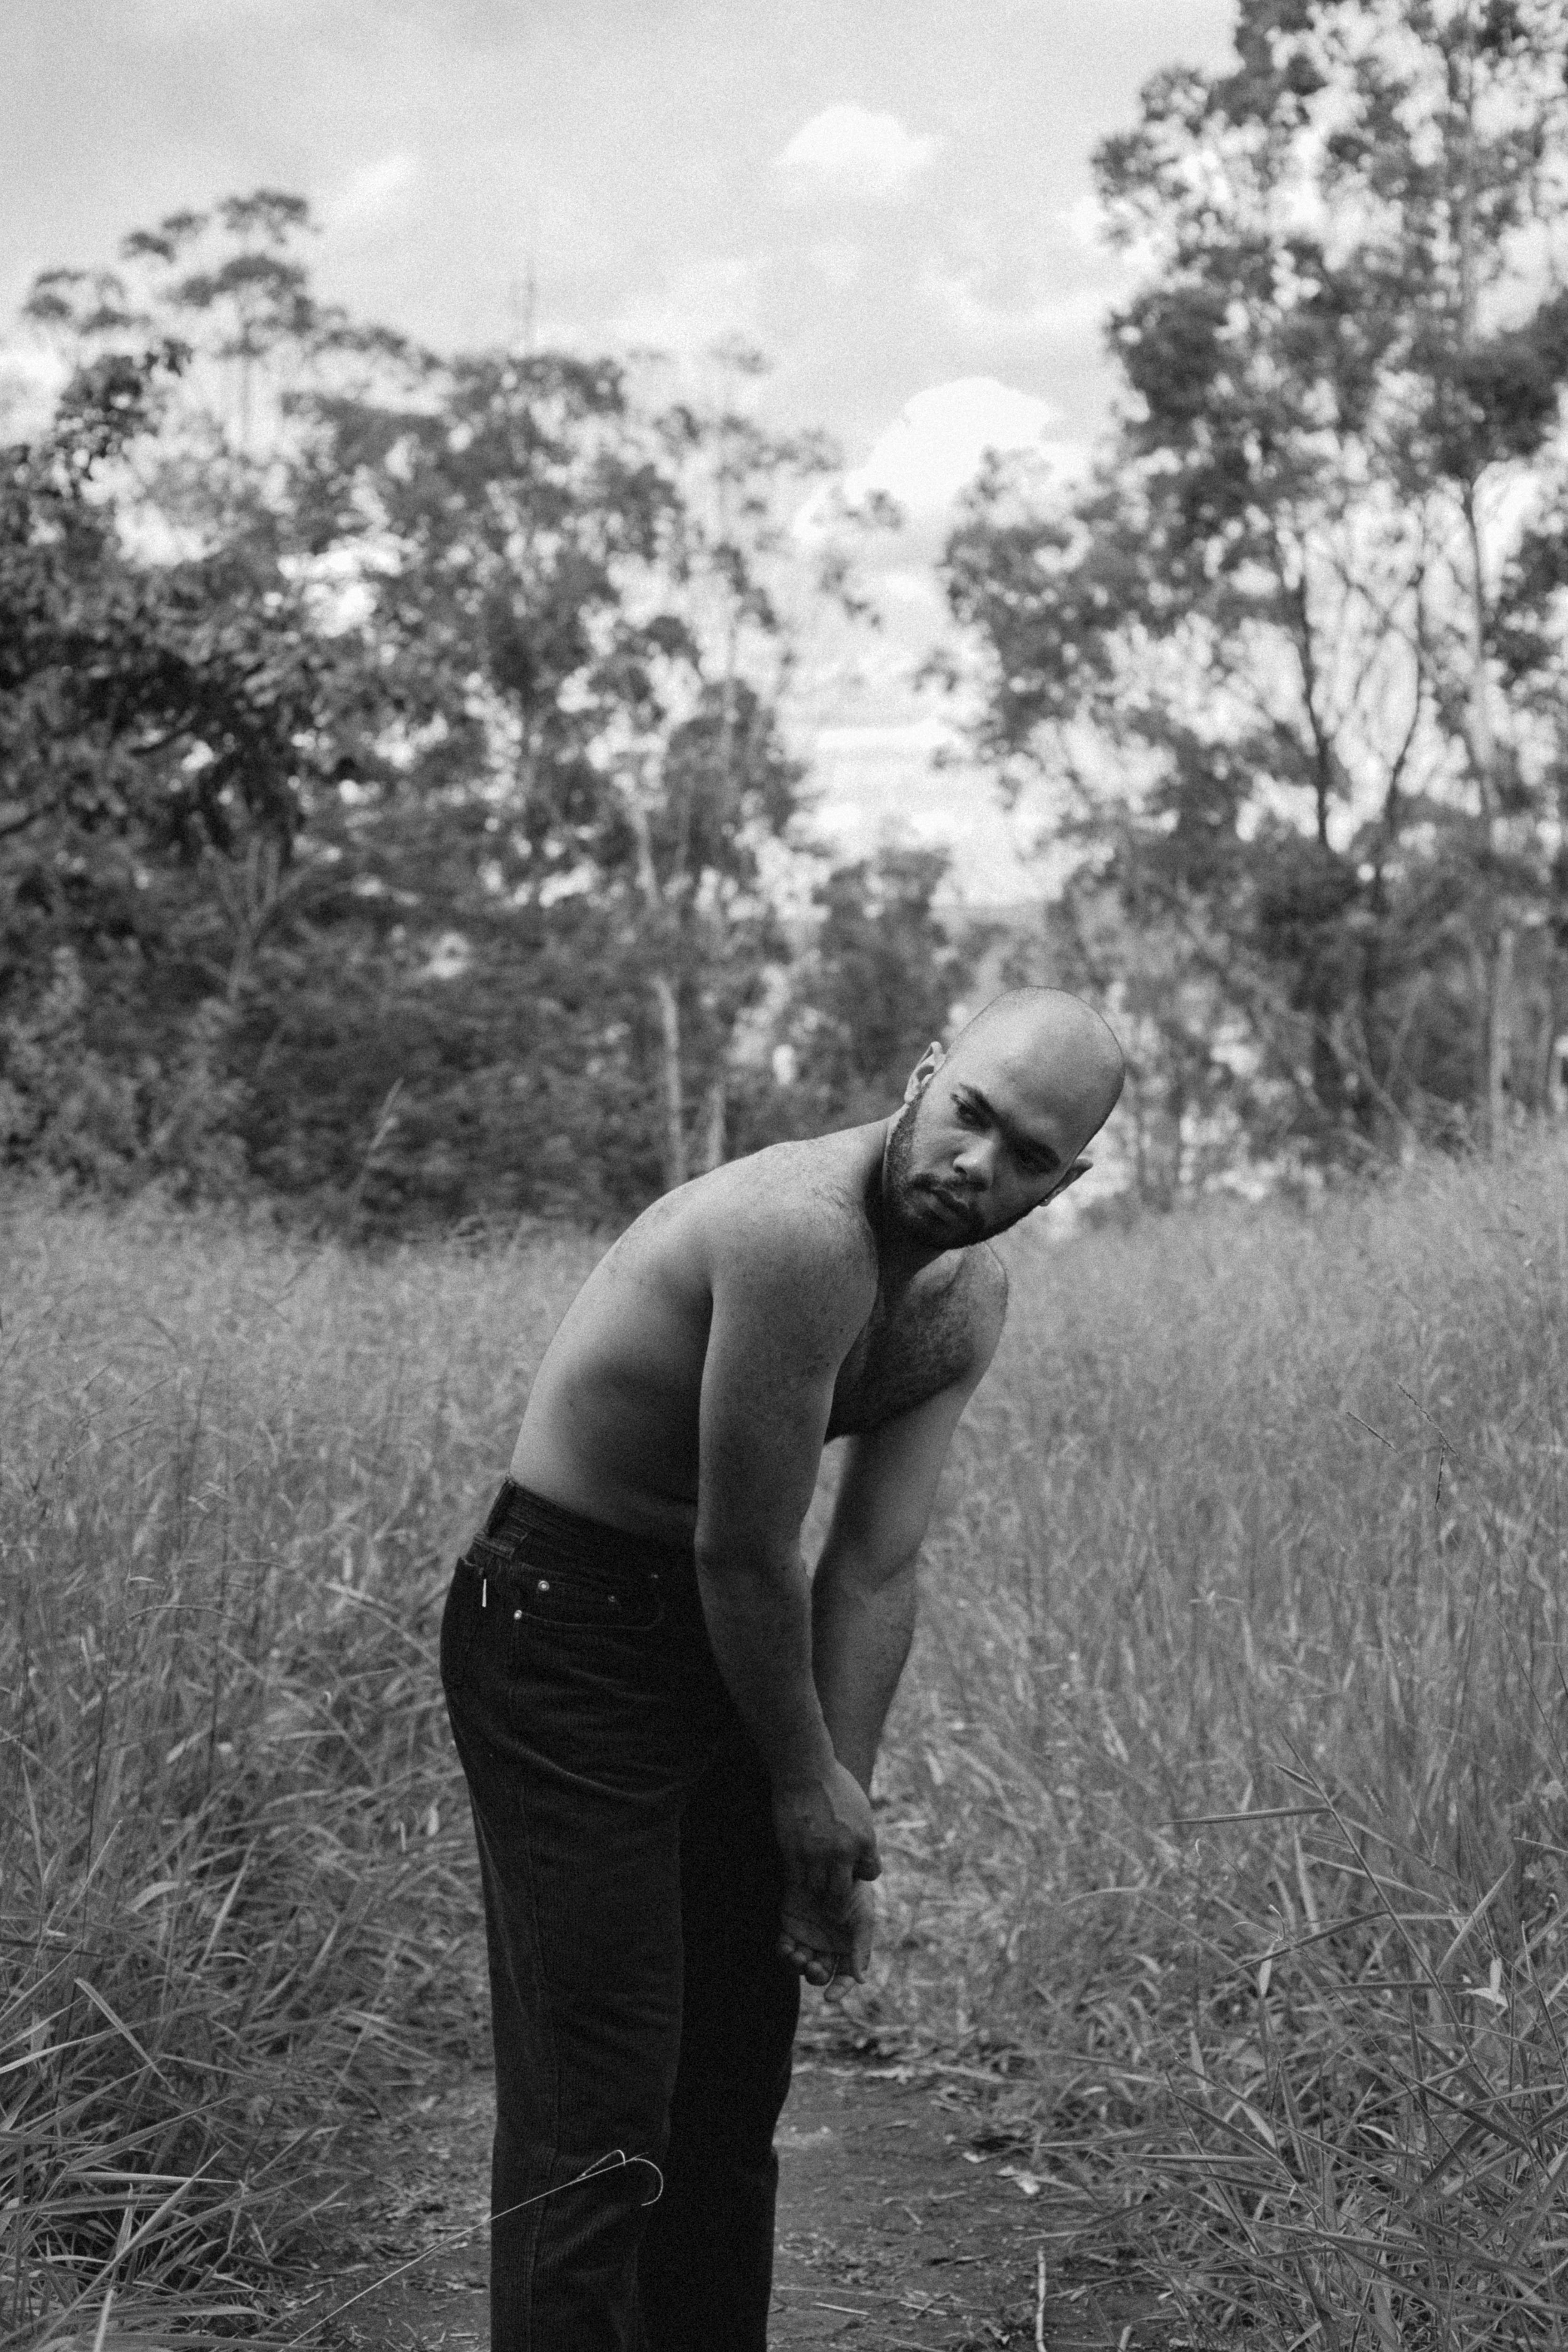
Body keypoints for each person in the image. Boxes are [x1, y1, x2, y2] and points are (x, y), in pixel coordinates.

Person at [440, 986, 1124, 2351]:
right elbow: (748, 1555)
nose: (980, 1164)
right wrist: (802, 1784)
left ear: (1070, 1179)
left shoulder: (966, 1295)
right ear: (927, 1074)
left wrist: (830, 1819)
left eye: (1029, 1156)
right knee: (606, 2102)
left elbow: (872, 1568)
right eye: (971, 1114)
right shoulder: (798, 1235)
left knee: (729, 2090)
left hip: (718, 1640)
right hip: (564, 1624)